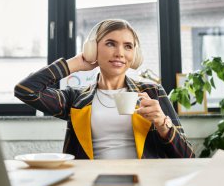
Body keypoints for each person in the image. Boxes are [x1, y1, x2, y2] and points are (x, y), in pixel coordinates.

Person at [15, 19, 194, 159]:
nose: (120, 53)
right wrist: (75, 64)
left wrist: (163, 124)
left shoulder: (152, 92)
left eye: (128, 46)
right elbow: (26, 90)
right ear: (93, 49)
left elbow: (188, 157)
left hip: (144, 181)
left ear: (134, 54)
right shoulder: (76, 98)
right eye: (110, 43)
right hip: (90, 181)